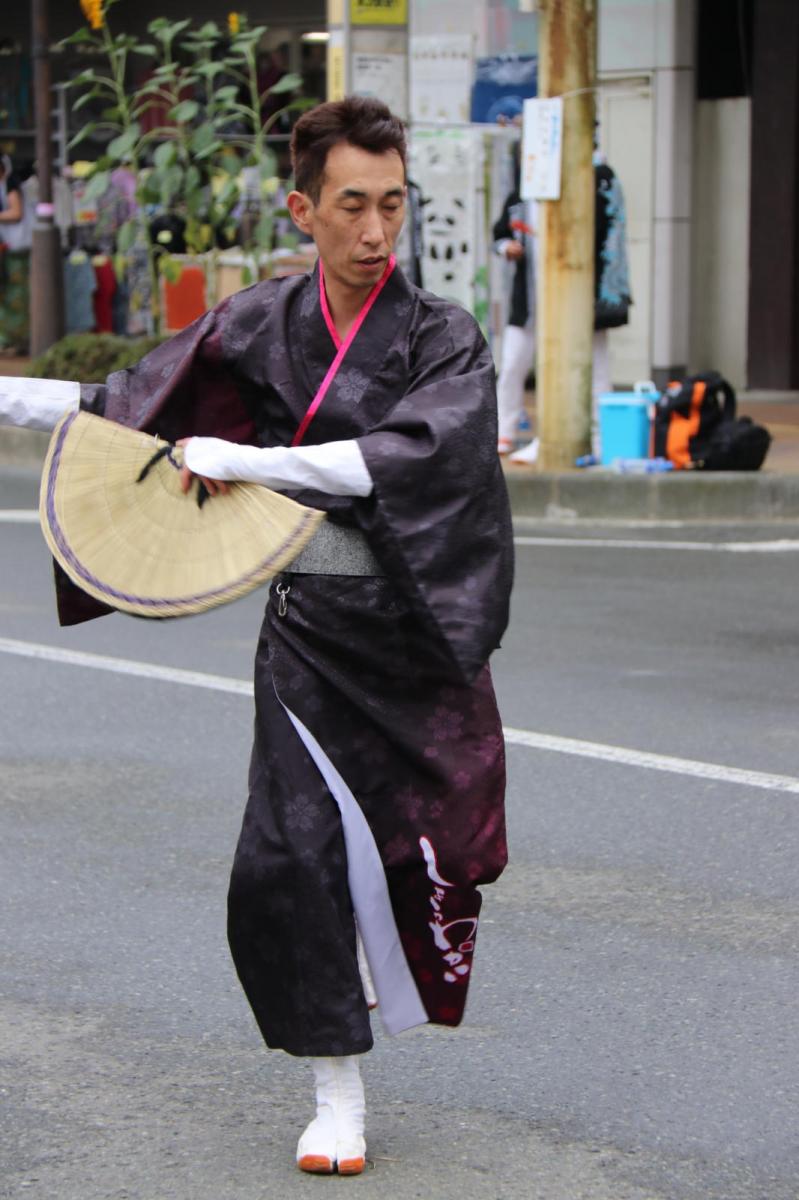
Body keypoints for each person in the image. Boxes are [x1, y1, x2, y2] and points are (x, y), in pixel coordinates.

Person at [0, 97, 513, 1176]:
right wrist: (6, 401)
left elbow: (404, 458)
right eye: (351, 206)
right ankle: (336, 1093)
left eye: (392, 205)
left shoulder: (443, 337)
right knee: (287, 857)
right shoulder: (257, 324)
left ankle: (380, 987)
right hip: (307, 640)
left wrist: (249, 462)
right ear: (301, 209)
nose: (375, 231)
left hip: (415, 641)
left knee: (437, 853)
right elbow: (125, 405)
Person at [0, 154, 33, 353]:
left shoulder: (10, 184)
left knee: (15, 295)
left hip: (15, 248)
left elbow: (16, 212)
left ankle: (16, 340)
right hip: (9, 248)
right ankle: (9, 339)